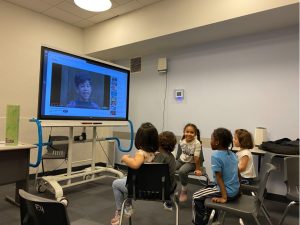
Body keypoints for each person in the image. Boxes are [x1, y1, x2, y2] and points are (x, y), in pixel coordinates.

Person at [110, 122, 159, 225]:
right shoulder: (156, 153)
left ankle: (120, 211)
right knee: (124, 180)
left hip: (140, 188)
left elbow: (136, 165)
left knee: (115, 184)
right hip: (152, 186)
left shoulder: (141, 153)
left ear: (139, 139)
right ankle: (128, 208)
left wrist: (125, 159)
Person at [192, 128, 240, 225]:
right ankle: (213, 218)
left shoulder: (216, 156)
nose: (210, 142)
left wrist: (224, 197)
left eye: (211, 139)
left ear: (217, 142)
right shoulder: (233, 154)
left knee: (196, 196)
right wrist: (239, 190)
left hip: (227, 192)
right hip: (235, 190)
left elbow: (219, 178)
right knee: (208, 187)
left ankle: (201, 222)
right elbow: (238, 173)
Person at [176, 123, 203, 202]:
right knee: (170, 167)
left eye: (192, 132)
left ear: (195, 134)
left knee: (182, 171)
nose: (189, 134)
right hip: (181, 160)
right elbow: (183, 153)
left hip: (192, 162)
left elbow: (197, 157)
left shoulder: (197, 143)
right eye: (187, 131)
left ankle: (184, 190)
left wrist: (198, 168)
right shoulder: (182, 140)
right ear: (184, 132)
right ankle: (171, 186)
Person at [154, 131, 177, 211]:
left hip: (156, 190)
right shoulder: (172, 157)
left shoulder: (159, 157)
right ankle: (168, 200)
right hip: (169, 188)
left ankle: (127, 206)